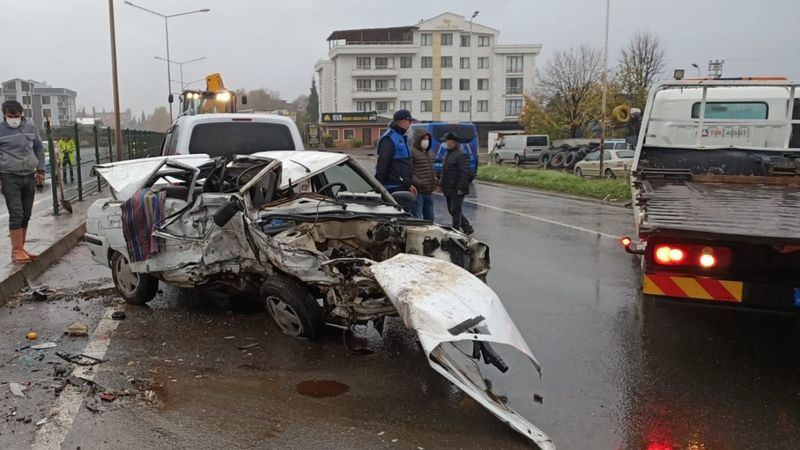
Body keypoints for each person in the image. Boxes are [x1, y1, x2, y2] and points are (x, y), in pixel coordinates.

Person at [0, 101, 46, 263]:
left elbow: (39, 148)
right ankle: (16, 250)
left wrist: (41, 170)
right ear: (4, 114)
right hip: (9, 176)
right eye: (10, 116)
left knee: (26, 213)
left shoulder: (30, 128)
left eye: (17, 116)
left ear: (22, 115)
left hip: (29, 175)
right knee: (16, 212)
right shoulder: (1, 130)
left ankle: (22, 247)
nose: (14, 119)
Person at [375, 109, 415, 211]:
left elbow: (403, 166)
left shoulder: (400, 137)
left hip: (402, 186)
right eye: (409, 121)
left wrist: (408, 184)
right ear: (402, 121)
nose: (410, 124)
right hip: (393, 188)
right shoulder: (389, 138)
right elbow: (382, 165)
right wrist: (378, 188)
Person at [440, 132, 474, 235]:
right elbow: (445, 170)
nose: (445, 143)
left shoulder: (461, 154)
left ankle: (456, 231)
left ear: (453, 142)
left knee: (455, 210)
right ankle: (467, 227)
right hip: (449, 187)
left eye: (447, 141)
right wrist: (441, 184)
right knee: (452, 210)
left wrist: (461, 188)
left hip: (457, 188)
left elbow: (465, 173)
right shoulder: (448, 153)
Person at [410, 128, 435, 220]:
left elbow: (432, 169)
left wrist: (435, 180)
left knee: (430, 218)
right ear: (418, 139)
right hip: (418, 192)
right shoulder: (412, 152)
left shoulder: (430, 153)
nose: (426, 141)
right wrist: (419, 183)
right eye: (424, 139)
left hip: (429, 191)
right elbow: (408, 172)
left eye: (428, 139)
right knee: (417, 218)